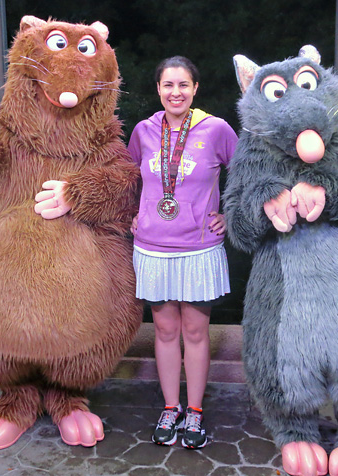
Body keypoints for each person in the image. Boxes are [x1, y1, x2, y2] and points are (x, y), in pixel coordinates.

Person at [128, 56, 238, 449]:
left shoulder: (216, 129)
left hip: (198, 247)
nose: (176, 92)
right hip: (153, 248)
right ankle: (170, 407)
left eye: (183, 85)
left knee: (194, 331)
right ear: (158, 90)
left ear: (195, 89)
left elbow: (245, 172)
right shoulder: (143, 131)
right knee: (164, 330)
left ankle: (195, 412)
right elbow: (126, 179)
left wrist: (231, 213)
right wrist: (132, 215)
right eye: (168, 85)